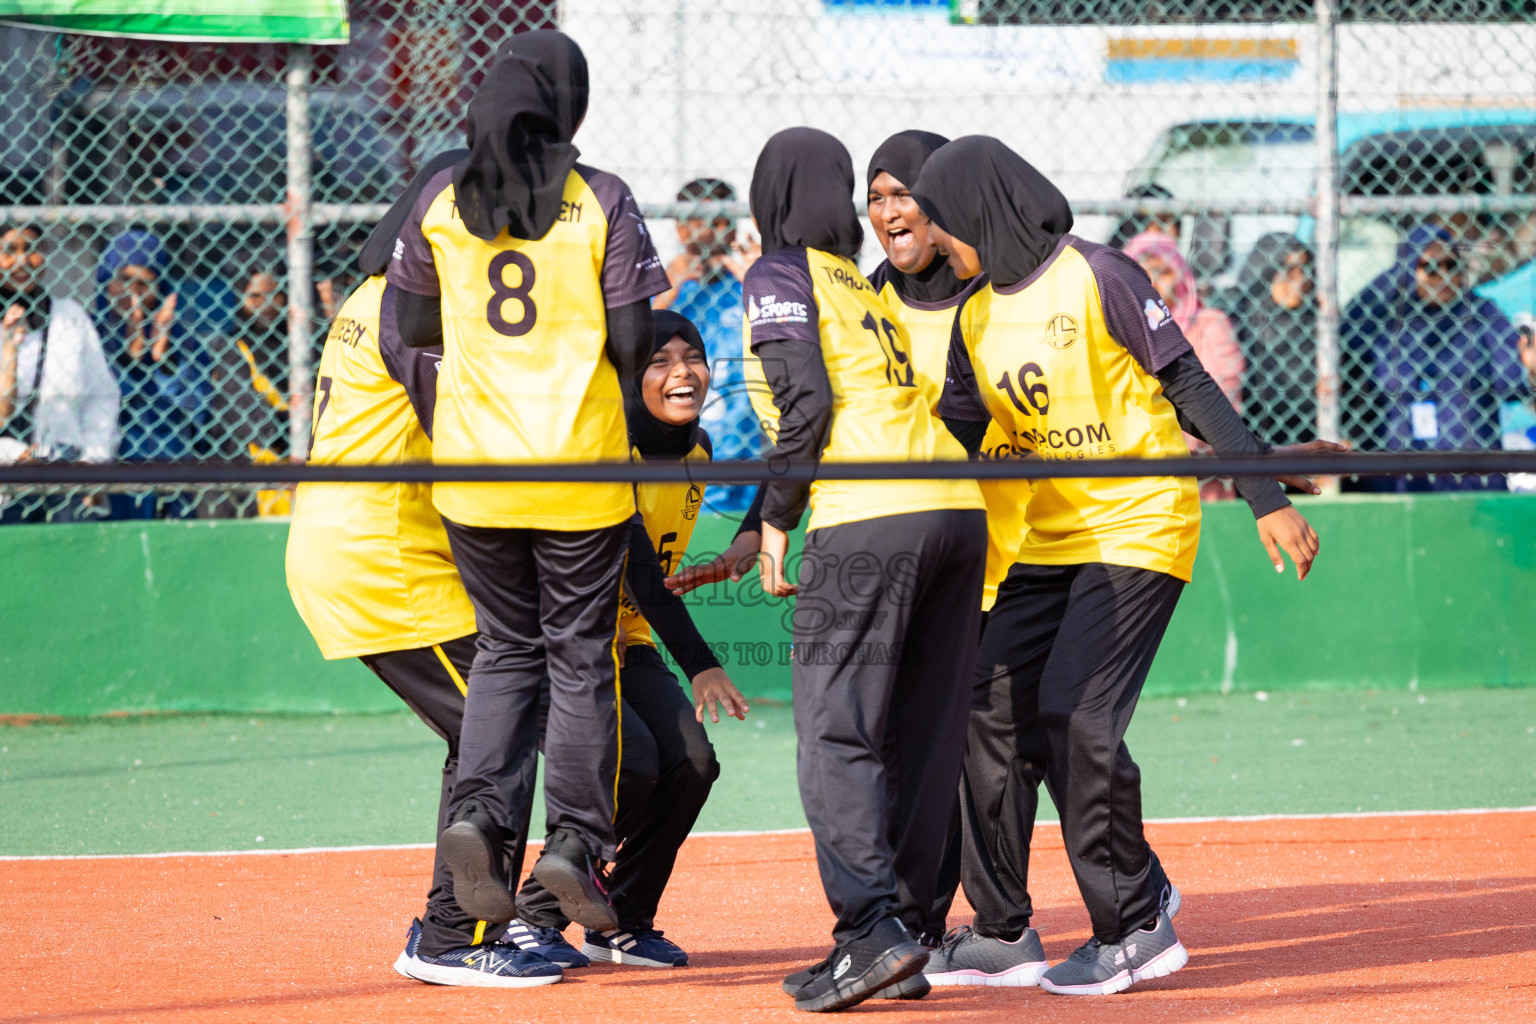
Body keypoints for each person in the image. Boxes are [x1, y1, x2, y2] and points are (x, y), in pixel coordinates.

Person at [912, 135, 1325, 997]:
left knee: (1077, 715)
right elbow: (949, 432)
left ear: (977, 209)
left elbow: (1193, 387)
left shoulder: (1099, 275)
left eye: (941, 222)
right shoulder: (975, 314)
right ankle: (1000, 931)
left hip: (1137, 529)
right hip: (1050, 540)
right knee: (987, 705)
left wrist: (1266, 498)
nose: (938, 241)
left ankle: (1136, 926)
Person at [385, 30, 670, 937]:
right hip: (579, 474)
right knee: (578, 658)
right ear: (570, 104)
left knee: (507, 652)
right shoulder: (602, 199)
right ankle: (576, 843)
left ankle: (478, 816)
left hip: (472, 476)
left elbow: (415, 324)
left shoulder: (437, 198)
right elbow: (634, 341)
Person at [743, 126, 987, 1013]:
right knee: (922, 735)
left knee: (836, 734)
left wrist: (776, 520)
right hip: (957, 513)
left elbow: (805, 398)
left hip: (869, 515)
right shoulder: (861, 284)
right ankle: (910, 932)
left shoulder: (780, 271)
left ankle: (867, 933)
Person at [507, 309, 751, 971]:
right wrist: (700, 664)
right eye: (660, 360)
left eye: (692, 356)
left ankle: (622, 920)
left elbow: (799, 459)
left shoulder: (696, 453)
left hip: (626, 641)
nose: (683, 372)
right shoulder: (609, 449)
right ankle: (533, 917)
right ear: (627, 376)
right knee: (632, 762)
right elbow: (641, 572)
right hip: (560, 640)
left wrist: (750, 540)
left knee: (693, 761)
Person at [863, 128, 1031, 962]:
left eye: (906, 193)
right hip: (911, 563)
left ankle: (1011, 924)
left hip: (1014, 553)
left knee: (1000, 741)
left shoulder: (993, 293)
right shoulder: (864, 306)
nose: (891, 211)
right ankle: (919, 921)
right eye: (877, 195)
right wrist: (763, 529)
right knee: (915, 745)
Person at [1342, 224, 1528, 491]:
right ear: (1407, 272)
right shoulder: (1383, 324)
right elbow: (1345, 352)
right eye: (1429, 268)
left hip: (1474, 477)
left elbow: (1512, 382)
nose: (1443, 275)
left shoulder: (1481, 313)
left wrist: (1530, 370)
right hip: (1399, 478)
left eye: (1450, 265)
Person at [654, 177, 761, 514]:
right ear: (679, 228)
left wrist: (763, 282)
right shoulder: (663, 288)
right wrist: (666, 292)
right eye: (696, 221)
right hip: (674, 465)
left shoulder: (748, 284)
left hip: (743, 460)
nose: (707, 233)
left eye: (718, 221)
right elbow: (628, 350)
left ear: (732, 227)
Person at [0, 224, 119, 522]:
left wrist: (91, 460)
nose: (21, 261)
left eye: (31, 249)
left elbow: (102, 396)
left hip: (65, 479)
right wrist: (13, 454)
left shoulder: (69, 317)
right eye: (8, 251)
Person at [1124, 230, 1245, 500]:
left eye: (1163, 271)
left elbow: (1222, 407)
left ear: (1180, 273)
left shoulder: (1210, 325)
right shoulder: (1116, 332)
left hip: (1203, 478)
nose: (1152, 281)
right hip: (1132, 481)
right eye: (1141, 272)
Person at [94, 228, 199, 518]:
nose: (134, 293)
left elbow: (197, 407)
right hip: (111, 464)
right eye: (125, 280)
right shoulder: (88, 332)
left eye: (145, 283)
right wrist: (130, 353)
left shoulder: (182, 338)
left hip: (170, 465)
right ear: (105, 281)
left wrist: (161, 356)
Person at [1218, 233, 1317, 449]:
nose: (1300, 279)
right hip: (1249, 449)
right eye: (1288, 270)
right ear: (1265, 271)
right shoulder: (1237, 324)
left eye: (1305, 269)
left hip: (1313, 452)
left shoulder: (1319, 324)